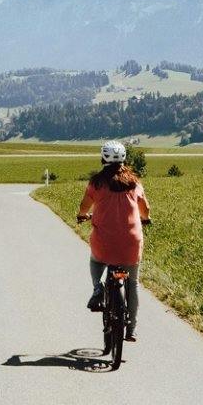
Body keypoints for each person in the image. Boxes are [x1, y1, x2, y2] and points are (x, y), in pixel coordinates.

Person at [77, 141, 149, 330]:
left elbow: (84, 207)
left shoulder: (96, 183)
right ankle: (131, 328)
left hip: (104, 243)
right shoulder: (134, 182)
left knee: (96, 261)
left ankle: (97, 287)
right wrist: (146, 218)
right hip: (131, 244)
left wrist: (82, 215)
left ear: (103, 158)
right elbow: (145, 209)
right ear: (124, 158)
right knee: (132, 283)